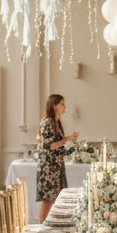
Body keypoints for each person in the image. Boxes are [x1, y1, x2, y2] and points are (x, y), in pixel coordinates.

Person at [36, 95, 77, 224]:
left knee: (54, 200)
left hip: (56, 168)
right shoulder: (47, 123)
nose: (64, 107)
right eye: (62, 104)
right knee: (48, 201)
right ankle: (41, 230)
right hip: (49, 169)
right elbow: (51, 145)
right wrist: (68, 139)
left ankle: (50, 227)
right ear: (54, 105)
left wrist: (71, 144)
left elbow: (58, 147)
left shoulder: (56, 122)